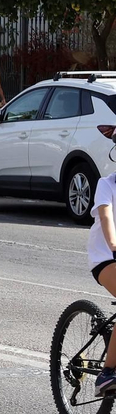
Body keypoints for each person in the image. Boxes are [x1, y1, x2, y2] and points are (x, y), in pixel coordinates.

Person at [88, 162, 116, 396]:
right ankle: (107, 373)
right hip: (106, 257)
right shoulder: (106, 184)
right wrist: (114, 245)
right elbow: (106, 216)